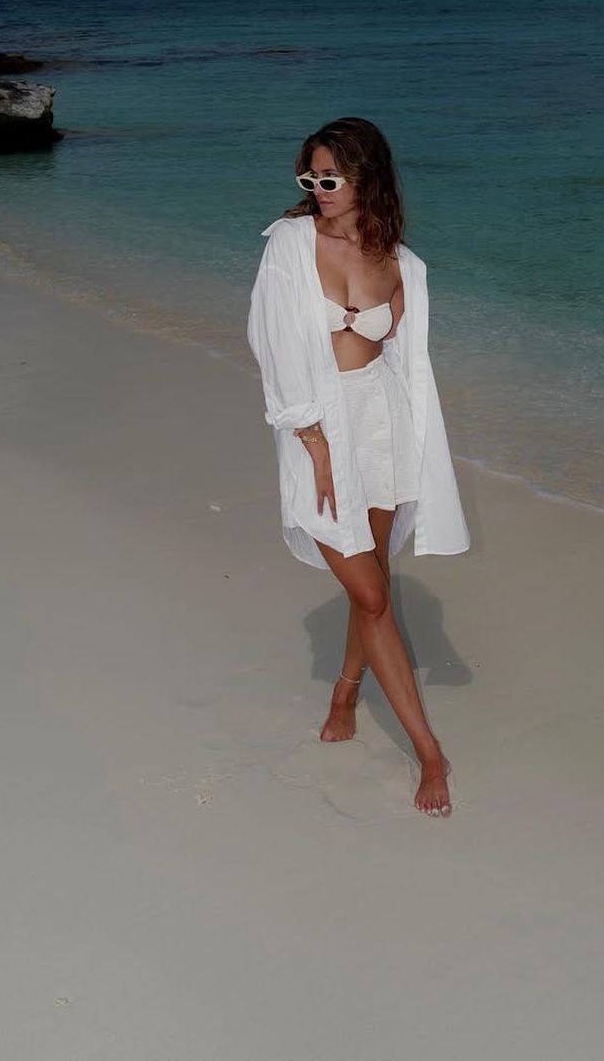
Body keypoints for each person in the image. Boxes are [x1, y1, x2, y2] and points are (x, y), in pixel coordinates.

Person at [246, 118, 470, 817]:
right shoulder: (289, 244)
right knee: (372, 595)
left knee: (371, 584)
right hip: (317, 427)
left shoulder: (400, 262)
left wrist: (420, 448)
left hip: (379, 425)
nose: (318, 189)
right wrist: (311, 439)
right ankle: (429, 752)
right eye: (309, 177)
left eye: (330, 178)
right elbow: (271, 343)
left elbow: (405, 359)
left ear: (365, 178)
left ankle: (346, 691)